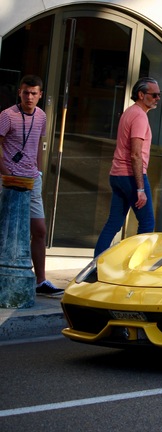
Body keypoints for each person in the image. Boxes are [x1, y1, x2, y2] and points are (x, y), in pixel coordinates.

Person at [0, 74, 64, 297]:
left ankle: (41, 280)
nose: (29, 96)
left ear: (40, 95)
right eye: (25, 92)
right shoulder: (7, 116)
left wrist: (38, 171)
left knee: (39, 230)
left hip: (31, 181)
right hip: (9, 181)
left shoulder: (42, 116)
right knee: (7, 231)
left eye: (33, 93)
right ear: (20, 92)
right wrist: (6, 174)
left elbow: (37, 143)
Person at [94, 77, 160, 257]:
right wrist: (140, 188)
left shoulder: (129, 112)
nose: (157, 99)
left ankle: (96, 264)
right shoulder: (139, 116)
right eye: (154, 95)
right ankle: (134, 265)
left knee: (114, 223)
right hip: (130, 176)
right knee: (147, 223)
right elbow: (136, 153)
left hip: (117, 175)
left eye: (159, 95)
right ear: (141, 94)